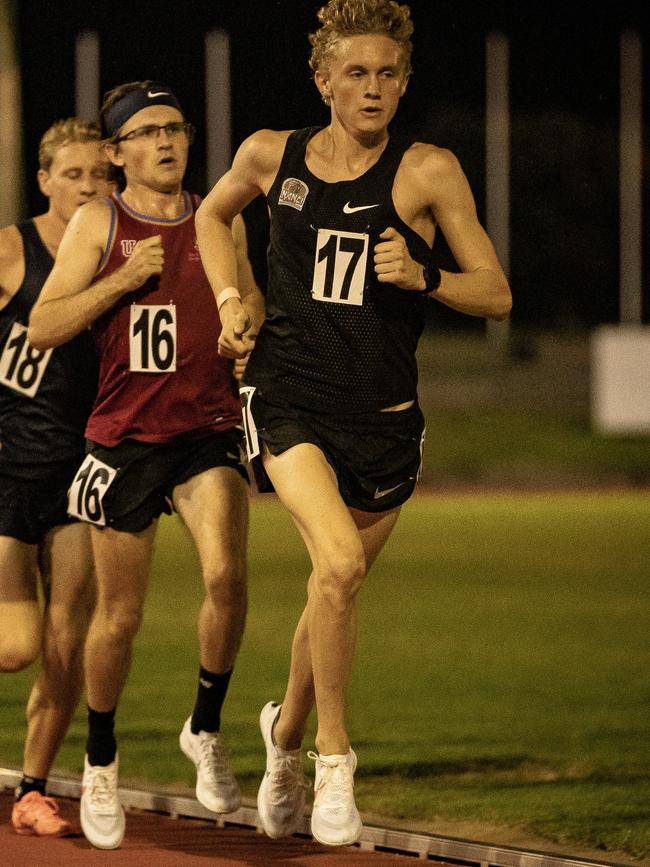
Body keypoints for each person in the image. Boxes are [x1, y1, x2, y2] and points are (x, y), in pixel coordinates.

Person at [195, 0, 512, 849]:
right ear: (323, 79)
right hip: (288, 396)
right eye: (357, 73)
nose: (373, 89)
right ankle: (335, 757)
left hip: (385, 421)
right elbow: (210, 215)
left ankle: (283, 739)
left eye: (389, 75)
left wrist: (426, 274)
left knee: (330, 590)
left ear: (404, 84)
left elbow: (496, 292)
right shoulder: (271, 154)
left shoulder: (429, 171)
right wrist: (234, 297)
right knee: (335, 562)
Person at [28, 80, 264, 851]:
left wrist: (242, 328)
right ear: (117, 151)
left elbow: (249, 303)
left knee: (228, 573)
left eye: (178, 128)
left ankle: (204, 723)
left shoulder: (214, 217)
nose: (167, 142)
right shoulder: (100, 220)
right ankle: (100, 758)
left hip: (205, 430)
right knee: (119, 617)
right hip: (125, 437)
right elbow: (43, 325)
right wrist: (124, 280)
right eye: (149, 131)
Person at [0, 118, 114, 836]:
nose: (87, 187)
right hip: (7, 471)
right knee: (14, 648)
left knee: (68, 640)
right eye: (72, 174)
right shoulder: (13, 247)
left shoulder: (119, 260)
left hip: (78, 476)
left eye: (100, 175)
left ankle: (33, 788)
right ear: (44, 180)